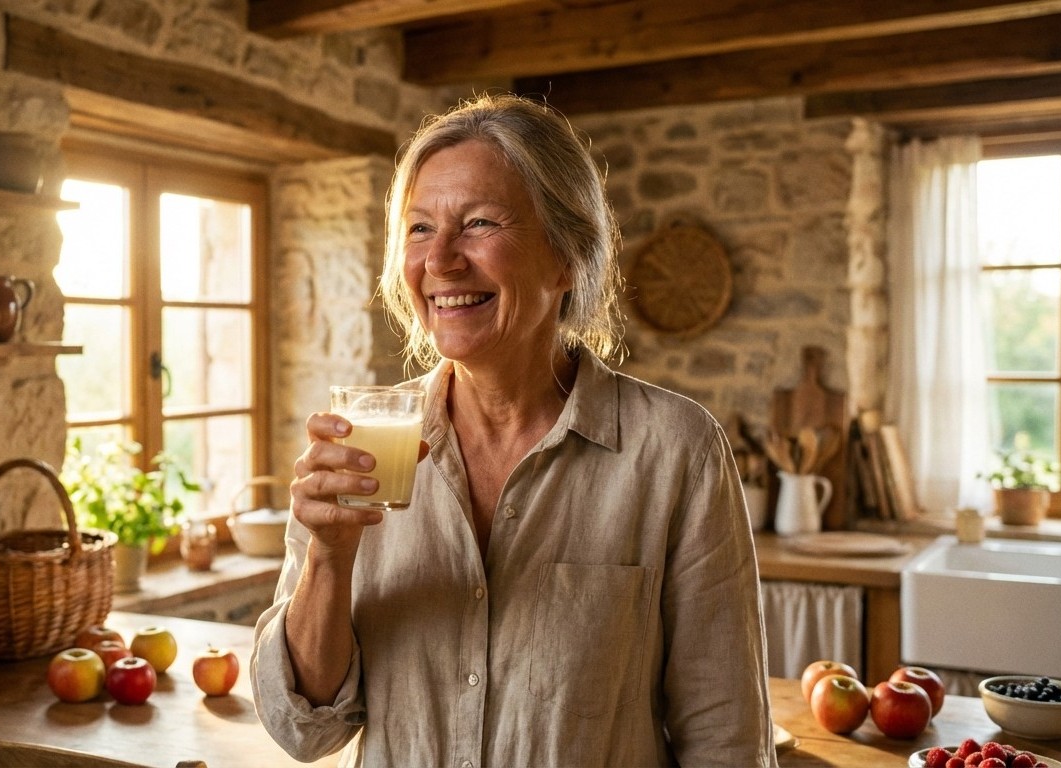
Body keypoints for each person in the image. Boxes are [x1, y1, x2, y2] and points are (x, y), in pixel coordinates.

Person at [251, 92, 776, 767]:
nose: (439, 259)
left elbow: (724, 738)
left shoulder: (675, 451)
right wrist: (327, 556)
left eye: (477, 223)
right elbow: (305, 731)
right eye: (418, 228)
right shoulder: (358, 448)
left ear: (565, 259)